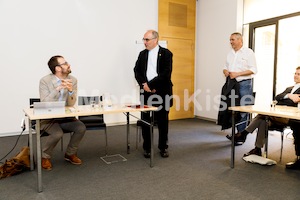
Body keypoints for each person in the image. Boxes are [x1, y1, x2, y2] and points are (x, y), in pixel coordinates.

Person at [235, 66, 300, 170]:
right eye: (295, 73)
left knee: (262, 116)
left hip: (290, 117)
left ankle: (245, 134)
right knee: (263, 120)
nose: (295, 76)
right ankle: (257, 149)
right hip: (278, 114)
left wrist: (286, 99)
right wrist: (289, 96)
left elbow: (291, 102)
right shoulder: (290, 88)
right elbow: (277, 97)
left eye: (298, 74)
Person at [39, 55, 86, 170]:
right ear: (57, 68)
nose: (68, 64)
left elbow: (71, 104)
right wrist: (57, 89)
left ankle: (70, 154)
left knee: (81, 127)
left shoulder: (73, 80)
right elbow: (44, 102)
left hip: (65, 118)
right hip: (48, 119)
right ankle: (45, 157)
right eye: (65, 63)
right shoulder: (45, 81)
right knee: (57, 133)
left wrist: (70, 91)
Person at [134, 30, 173, 158]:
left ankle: (163, 147)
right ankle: (147, 148)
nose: (144, 42)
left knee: (162, 121)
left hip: (161, 92)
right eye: (144, 39)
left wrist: (151, 86)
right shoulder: (142, 54)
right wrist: (144, 85)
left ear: (155, 40)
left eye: (147, 39)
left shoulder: (166, 54)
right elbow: (137, 71)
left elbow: (165, 74)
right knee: (145, 121)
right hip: (146, 92)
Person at [222, 32, 258, 139]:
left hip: (244, 84)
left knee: (244, 110)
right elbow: (225, 66)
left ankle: (241, 135)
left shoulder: (248, 52)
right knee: (233, 109)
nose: (231, 42)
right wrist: (225, 71)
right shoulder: (230, 53)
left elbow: (253, 70)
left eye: (232, 39)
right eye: (230, 40)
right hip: (232, 85)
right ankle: (236, 133)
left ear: (240, 40)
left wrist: (238, 73)